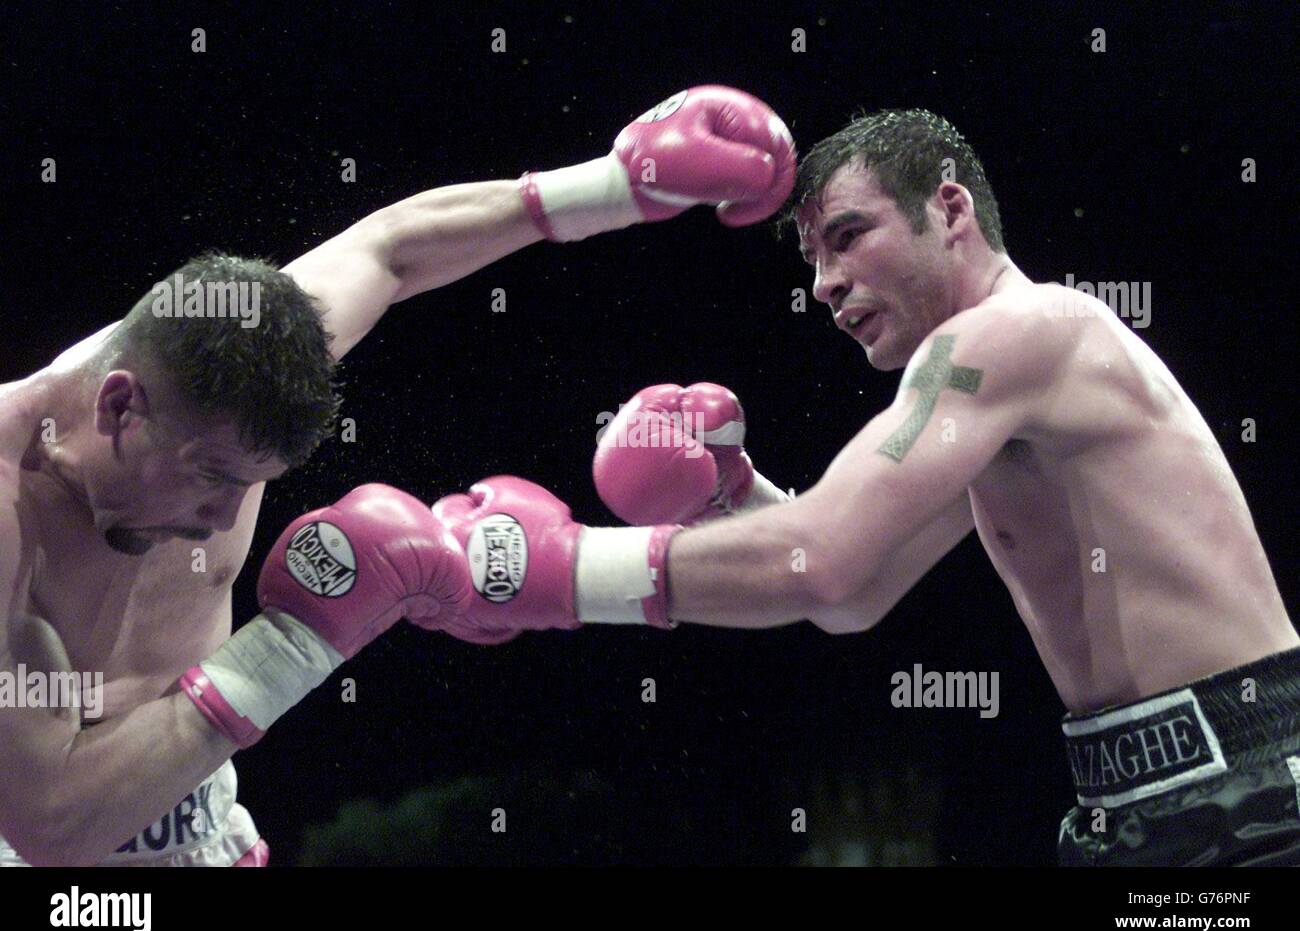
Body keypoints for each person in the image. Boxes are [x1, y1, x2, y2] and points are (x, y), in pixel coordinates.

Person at [418, 109, 1300, 866]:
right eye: (813, 259)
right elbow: (855, 591)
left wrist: (554, 570)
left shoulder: (1016, 335)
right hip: (1158, 798)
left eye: (848, 236)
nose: (826, 284)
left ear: (948, 208)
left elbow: (823, 561)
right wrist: (736, 495)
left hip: (1253, 790)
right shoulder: (1002, 391)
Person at [0, 86, 795, 866]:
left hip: (208, 834)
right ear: (118, 407)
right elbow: (52, 829)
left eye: (252, 482)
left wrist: (613, 185)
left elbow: (391, 249)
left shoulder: (243, 357)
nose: (222, 517)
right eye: (211, 475)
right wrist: (297, 642)